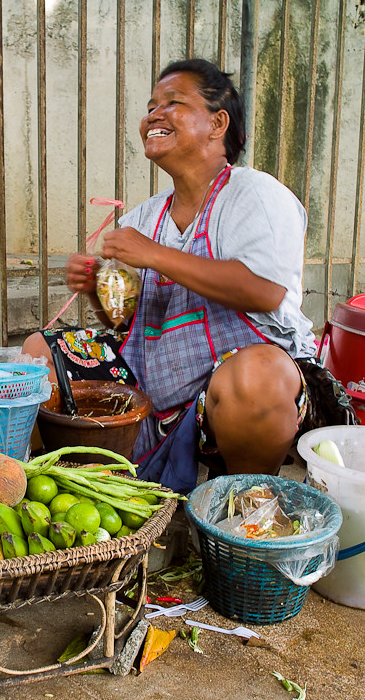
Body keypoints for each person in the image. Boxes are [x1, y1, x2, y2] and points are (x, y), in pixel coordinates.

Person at [24, 58, 354, 492]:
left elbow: (265, 292)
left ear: (217, 123)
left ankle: (242, 505)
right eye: (151, 106)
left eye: (173, 102)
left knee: (258, 374)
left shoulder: (255, 195)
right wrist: (95, 289)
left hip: (236, 386)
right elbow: (123, 324)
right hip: (147, 381)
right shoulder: (147, 215)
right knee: (37, 356)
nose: (153, 116)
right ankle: (96, 494)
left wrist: (154, 255)